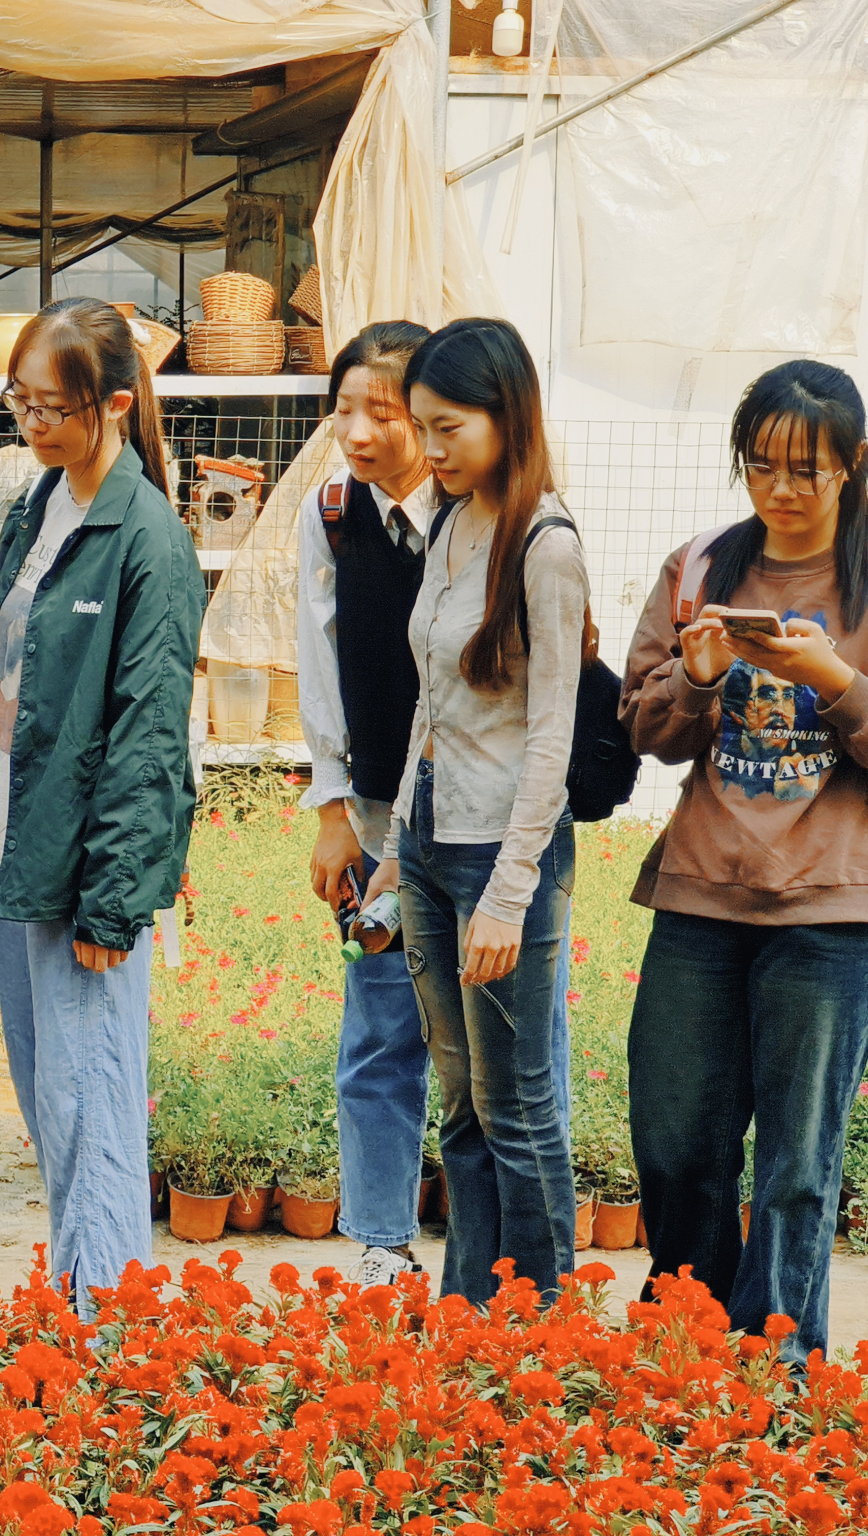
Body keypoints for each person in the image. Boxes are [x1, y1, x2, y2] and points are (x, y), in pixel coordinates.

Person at [0, 298, 203, 1310]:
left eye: (54, 406)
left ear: (113, 405)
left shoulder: (148, 541)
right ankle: (80, 1307)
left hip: (82, 879)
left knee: (90, 1103)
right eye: (20, 401)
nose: (34, 424)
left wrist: (112, 901)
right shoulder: (38, 505)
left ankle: (106, 1342)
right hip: (15, 848)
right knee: (48, 1104)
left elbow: (148, 737)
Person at [620, 359, 868, 1365]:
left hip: (830, 913)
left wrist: (834, 682)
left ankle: (772, 1379)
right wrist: (695, 673)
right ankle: (688, 1357)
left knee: (795, 1170)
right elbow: (641, 727)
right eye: (760, 464)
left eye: (804, 467)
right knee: (676, 1146)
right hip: (698, 901)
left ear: (851, 466)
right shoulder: (698, 569)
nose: (780, 487)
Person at [370, 317, 587, 1306]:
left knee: (517, 1104)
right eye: (422, 425)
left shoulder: (544, 541)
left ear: (506, 416)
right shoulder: (450, 521)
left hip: (501, 856)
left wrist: (507, 893)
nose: (431, 448)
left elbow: (550, 735)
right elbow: (428, 692)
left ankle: (541, 1329)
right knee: (456, 1106)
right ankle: (469, 1312)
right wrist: (388, 853)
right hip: (424, 844)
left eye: (447, 426)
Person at [297, 321, 438, 1289]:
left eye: (378, 412)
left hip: (469, 817)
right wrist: (331, 804)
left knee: (486, 1046)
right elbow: (317, 656)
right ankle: (381, 1244)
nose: (354, 429)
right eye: (342, 407)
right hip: (377, 809)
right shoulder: (333, 512)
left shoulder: (479, 515)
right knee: (378, 1024)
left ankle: (497, 1253)